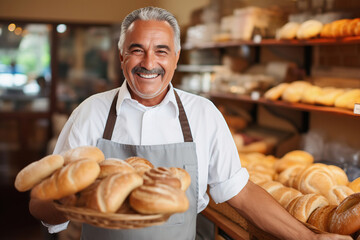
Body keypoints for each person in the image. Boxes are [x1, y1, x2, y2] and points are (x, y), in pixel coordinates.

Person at [29, 6, 352, 240]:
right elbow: (40, 205)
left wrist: (309, 239)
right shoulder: (91, 112)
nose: (149, 63)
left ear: (177, 57)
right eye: (137, 50)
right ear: (121, 56)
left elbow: (237, 191)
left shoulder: (203, 113)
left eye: (161, 51)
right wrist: (77, 200)